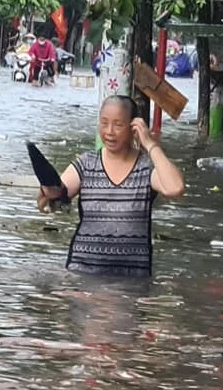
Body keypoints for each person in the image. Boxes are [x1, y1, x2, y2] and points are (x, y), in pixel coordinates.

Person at [36, 95, 185, 277]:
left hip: (132, 280)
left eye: (118, 125)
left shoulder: (146, 167)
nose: (109, 132)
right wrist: (49, 193)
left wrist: (150, 143)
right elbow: (54, 199)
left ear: (133, 127)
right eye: (104, 123)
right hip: (83, 275)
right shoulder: (86, 164)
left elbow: (175, 188)